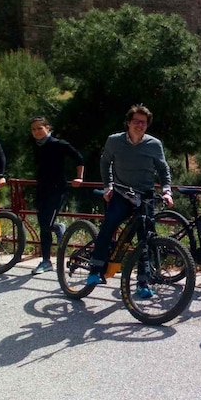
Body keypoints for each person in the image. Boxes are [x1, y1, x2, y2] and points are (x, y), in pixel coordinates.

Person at [85, 104, 173, 299]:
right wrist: (108, 186)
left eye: (143, 122)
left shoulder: (154, 144)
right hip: (121, 193)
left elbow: (163, 169)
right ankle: (95, 270)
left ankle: (143, 282)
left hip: (145, 195)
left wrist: (167, 191)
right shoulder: (114, 141)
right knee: (109, 226)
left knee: (146, 239)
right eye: (136, 121)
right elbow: (105, 162)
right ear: (128, 122)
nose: (139, 125)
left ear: (147, 125)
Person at [30, 116, 85, 275]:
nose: (37, 132)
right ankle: (46, 261)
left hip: (57, 189)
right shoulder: (36, 146)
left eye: (40, 128)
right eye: (33, 129)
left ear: (48, 128)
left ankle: (58, 228)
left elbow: (79, 158)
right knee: (43, 226)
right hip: (41, 189)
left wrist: (79, 177)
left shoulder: (58, 144)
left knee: (47, 224)